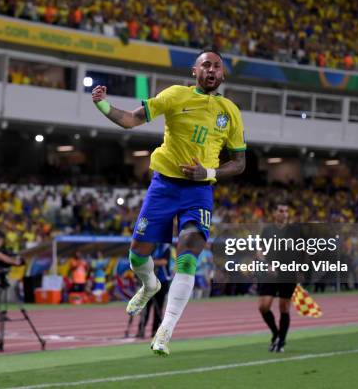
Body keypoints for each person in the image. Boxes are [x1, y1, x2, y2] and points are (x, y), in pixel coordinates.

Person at [91, 47, 246, 355]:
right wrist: (103, 105)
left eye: (217, 66)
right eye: (205, 66)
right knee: (137, 255)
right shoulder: (175, 95)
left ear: (223, 74)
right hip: (163, 186)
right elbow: (132, 120)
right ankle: (150, 285)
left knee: (188, 255)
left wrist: (208, 171)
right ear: (195, 71)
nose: (211, 70)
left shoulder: (230, 111)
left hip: (198, 191)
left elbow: (239, 162)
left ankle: (166, 329)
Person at [257, 201, 302, 353]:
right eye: (281, 211)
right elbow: (260, 250)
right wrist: (266, 264)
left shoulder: (294, 231)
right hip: (270, 272)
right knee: (263, 306)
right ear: (275, 213)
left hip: (288, 273)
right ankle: (276, 333)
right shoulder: (267, 230)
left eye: (286, 211)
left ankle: (281, 341)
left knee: (284, 307)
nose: (284, 214)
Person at [137, 244, 173, 338]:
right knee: (145, 307)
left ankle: (155, 331)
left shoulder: (166, 248)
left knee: (158, 308)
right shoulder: (151, 247)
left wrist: (150, 262)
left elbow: (164, 262)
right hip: (150, 281)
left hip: (162, 281)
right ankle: (141, 329)